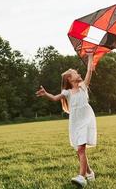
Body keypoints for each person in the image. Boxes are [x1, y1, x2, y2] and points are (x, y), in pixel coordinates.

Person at [36, 51, 97, 187]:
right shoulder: (67, 93)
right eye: (75, 73)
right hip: (75, 122)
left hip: (86, 120)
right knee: (79, 150)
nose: (78, 73)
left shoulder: (83, 87)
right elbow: (55, 98)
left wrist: (91, 56)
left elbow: (89, 71)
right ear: (70, 79)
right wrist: (45, 94)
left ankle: (81, 177)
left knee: (81, 149)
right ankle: (89, 173)